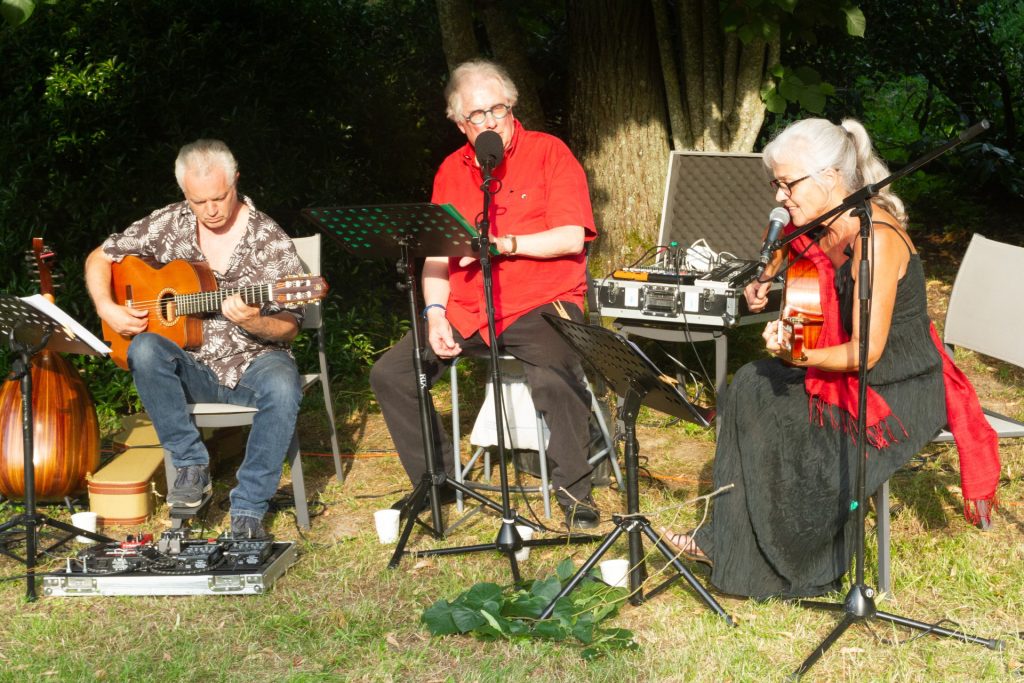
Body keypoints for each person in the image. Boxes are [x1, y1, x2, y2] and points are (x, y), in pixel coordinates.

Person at [662, 118, 1000, 598]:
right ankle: (728, 539)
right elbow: (785, 248)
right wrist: (764, 280)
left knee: (793, 420)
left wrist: (799, 356)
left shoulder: (874, 239)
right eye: (775, 184)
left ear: (831, 177)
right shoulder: (819, 222)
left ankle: (798, 559)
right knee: (750, 383)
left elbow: (867, 352)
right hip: (841, 366)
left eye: (788, 184)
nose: (780, 196)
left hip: (897, 384)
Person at [369, 60, 601, 529]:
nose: (491, 121)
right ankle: (438, 482)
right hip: (467, 308)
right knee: (391, 374)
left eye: (498, 108)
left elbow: (571, 236)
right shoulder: (449, 172)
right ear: (460, 123)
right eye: (477, 114)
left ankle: (574, 490)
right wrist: (436, 314)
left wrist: (504, 244)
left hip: (541, 299)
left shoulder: (549, 152)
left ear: (512, 106)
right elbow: (435, 258)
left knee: (553, 375)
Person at [85, 139, 306, 539]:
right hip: (192, 367)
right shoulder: (168, 222)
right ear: (184, 192)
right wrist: (107, 306)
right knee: (144, 348)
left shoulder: (270, 240)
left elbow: (290, 325)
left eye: (219, 198)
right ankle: (191, 464)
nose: (210, 210)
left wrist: (256, 322)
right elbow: (100, 256)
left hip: (253, 362)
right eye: (198, 201)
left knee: (282, 383)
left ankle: (248, 509)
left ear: (236, 182)